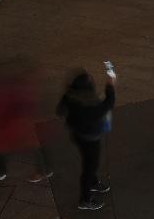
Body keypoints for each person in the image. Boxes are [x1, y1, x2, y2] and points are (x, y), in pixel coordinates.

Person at [55, 70, 115, 211]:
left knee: (87, 160)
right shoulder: (93, 105)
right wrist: (110, 84)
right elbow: (109, 103)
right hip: (91, 138)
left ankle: (93, 182)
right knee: (90, 167)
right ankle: (85, 199)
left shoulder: (70, 96)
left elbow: (59, 111)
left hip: (77, 135)